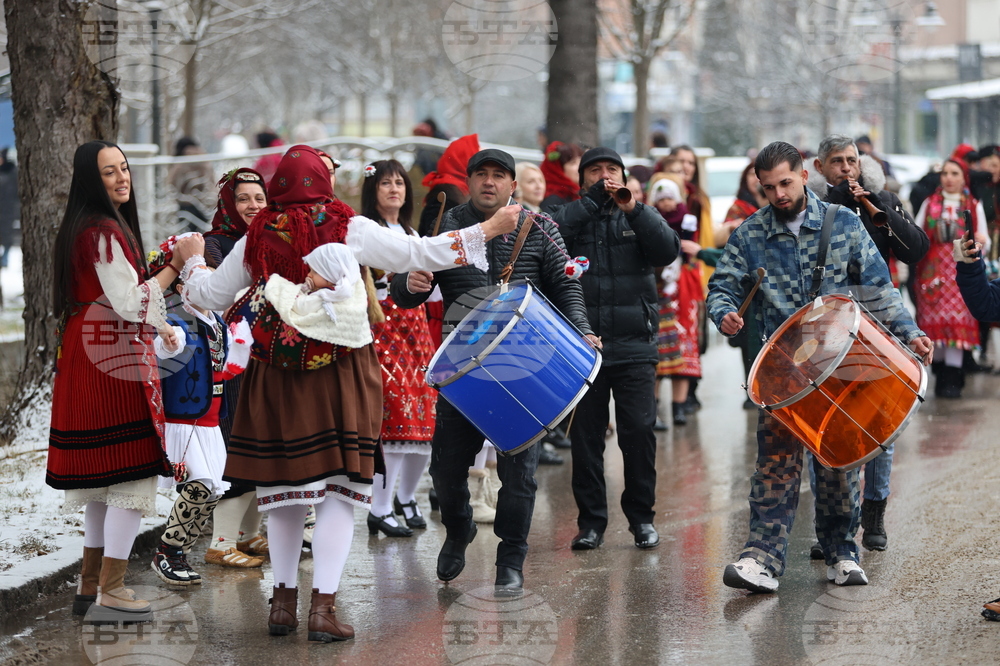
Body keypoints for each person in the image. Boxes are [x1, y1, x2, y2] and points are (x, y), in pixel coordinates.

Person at [175, 145, 515, 641]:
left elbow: (207, 296)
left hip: (275, 374)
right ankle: (323, 610)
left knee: (283, 490)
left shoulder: (258, 233)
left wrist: (190, 264)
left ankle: (283, 603)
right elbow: (420, 253)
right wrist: (486, 230)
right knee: (337, 491)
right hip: (340, 369)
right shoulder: (346, 225)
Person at [708, 141, 932, 593]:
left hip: (840, 365)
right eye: (769, 187)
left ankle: (842, 552)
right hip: (780, 374)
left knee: (838, 466)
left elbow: (879, 288)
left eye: (786, 183)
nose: (778, 194)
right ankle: (762, 560)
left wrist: (909, 333)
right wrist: (724, 312)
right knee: (775, 466)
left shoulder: (844, 223)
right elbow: (720, 287)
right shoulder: (751, 233)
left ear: (804, 175)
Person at [389, 148, 595, 597]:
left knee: (519, 473)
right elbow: (406, 290)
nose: (489, 182)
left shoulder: (540, 227)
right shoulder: (446, 226)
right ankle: (459, 528)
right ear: (469, 181)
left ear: (513, 185)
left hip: (523, 367)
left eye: (498, 176)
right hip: (462, 371)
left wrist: (582, 329)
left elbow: (566, 283)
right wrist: (411, 284)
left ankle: (511, 558)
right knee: (445, 469)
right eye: (481, 174)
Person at [48, 141, 178, 622]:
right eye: (109, 172)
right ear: (91, 179)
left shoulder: (83, 229)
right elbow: (131, 302)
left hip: (87, 348)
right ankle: (112, 590)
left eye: (123, 168)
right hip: (109, 352)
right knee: (129, 471)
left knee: (105, 479)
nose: (122, 177)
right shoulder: (102, 232)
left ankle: (89, 587)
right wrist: (176, 266)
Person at [550, 146, 679, 551]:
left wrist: (635, 209)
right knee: (586, 438)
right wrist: (590, 203)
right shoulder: (567, 214)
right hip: (581, 346)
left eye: (611, 170)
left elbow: (667, 250)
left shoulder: (636, 212)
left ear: (623, 176)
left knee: (638, 432)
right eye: (595, 170)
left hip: (634, 343)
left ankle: (642, 519)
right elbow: (552, 233)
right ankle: (591, 523)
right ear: (581, 177)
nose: (603, 176)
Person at [806, 135, 930, 553]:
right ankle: (832, 523)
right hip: (828, 326)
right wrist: (837, 203)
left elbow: (915, 250)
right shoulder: (809, 206)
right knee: (826, 426)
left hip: (879, 324)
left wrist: (876, 203)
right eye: (837, 162)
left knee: (880, 423)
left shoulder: (883, 198)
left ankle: (874, 514)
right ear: (820, 168)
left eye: (852, 161)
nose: (847, 169)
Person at [148, 241, 252, 586]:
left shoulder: (219, 322)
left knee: (213, 489)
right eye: (197, 279)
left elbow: (231, 361)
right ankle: (167, 551)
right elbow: (165, 347)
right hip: (186, 417)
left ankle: (180, 550)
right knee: (199, 485)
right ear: (182, 288)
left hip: (211, 417)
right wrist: (170, 342)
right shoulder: (178, 320)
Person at [360, 160, 438, 537]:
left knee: (422, 420)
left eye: (400, 183)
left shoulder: (411, 232)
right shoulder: (365, 232)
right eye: (385, 182)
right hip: (384, 330)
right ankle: (380, 506)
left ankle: (406, 497)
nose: (394, 189)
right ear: (372, 190)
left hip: (416, 333)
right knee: (392, 421)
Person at [202, 168, 269, 568]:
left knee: (261, 448)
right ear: (229, 203)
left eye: (259, 199)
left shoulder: (273, 239)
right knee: (236, 447)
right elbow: (213, 296)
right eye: (243, 198)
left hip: (267, 358)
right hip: (229, 363)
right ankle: (220, 541)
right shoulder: (215, 245)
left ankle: (248, 535)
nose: (253, 206)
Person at [913, 156, 988, 399]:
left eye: (954, 173)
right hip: (932, 273)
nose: (949, 178)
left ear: (963, 177)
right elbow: (918, 235)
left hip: (961, 271)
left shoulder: (972, 204)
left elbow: (983, 239)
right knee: (935, 324)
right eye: (945, 173)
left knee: (956, 324)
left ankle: (954, 378)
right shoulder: (929, 203)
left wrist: (973, 249)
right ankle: (942, 374)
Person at [647, 175, 700, 427]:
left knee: (683, 349)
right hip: (656, 293)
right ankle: (653, 408)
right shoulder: (649, 222)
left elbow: (695, 252)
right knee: (655, 352)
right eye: (661, 199)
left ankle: (679, 406)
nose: (667, 203)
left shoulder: (688, 220)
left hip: (682, 293)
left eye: (670, 197)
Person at [167, 137, 214, 232]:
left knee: (185, 233)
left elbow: (172, 183)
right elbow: (211, 179)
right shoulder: (204, 158)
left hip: (185, 203)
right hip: (204, 203)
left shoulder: (181, 161)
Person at [539, 141, 582, 211]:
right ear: (558, 169)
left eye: (580, 162)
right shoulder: (552, 200)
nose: (579, 167)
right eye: (573, 163)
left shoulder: (577, 193)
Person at [0, 148, 19, 268]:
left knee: (7, 235)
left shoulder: (12, 173)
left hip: (8, 209)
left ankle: (5, 258)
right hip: (7, 208)